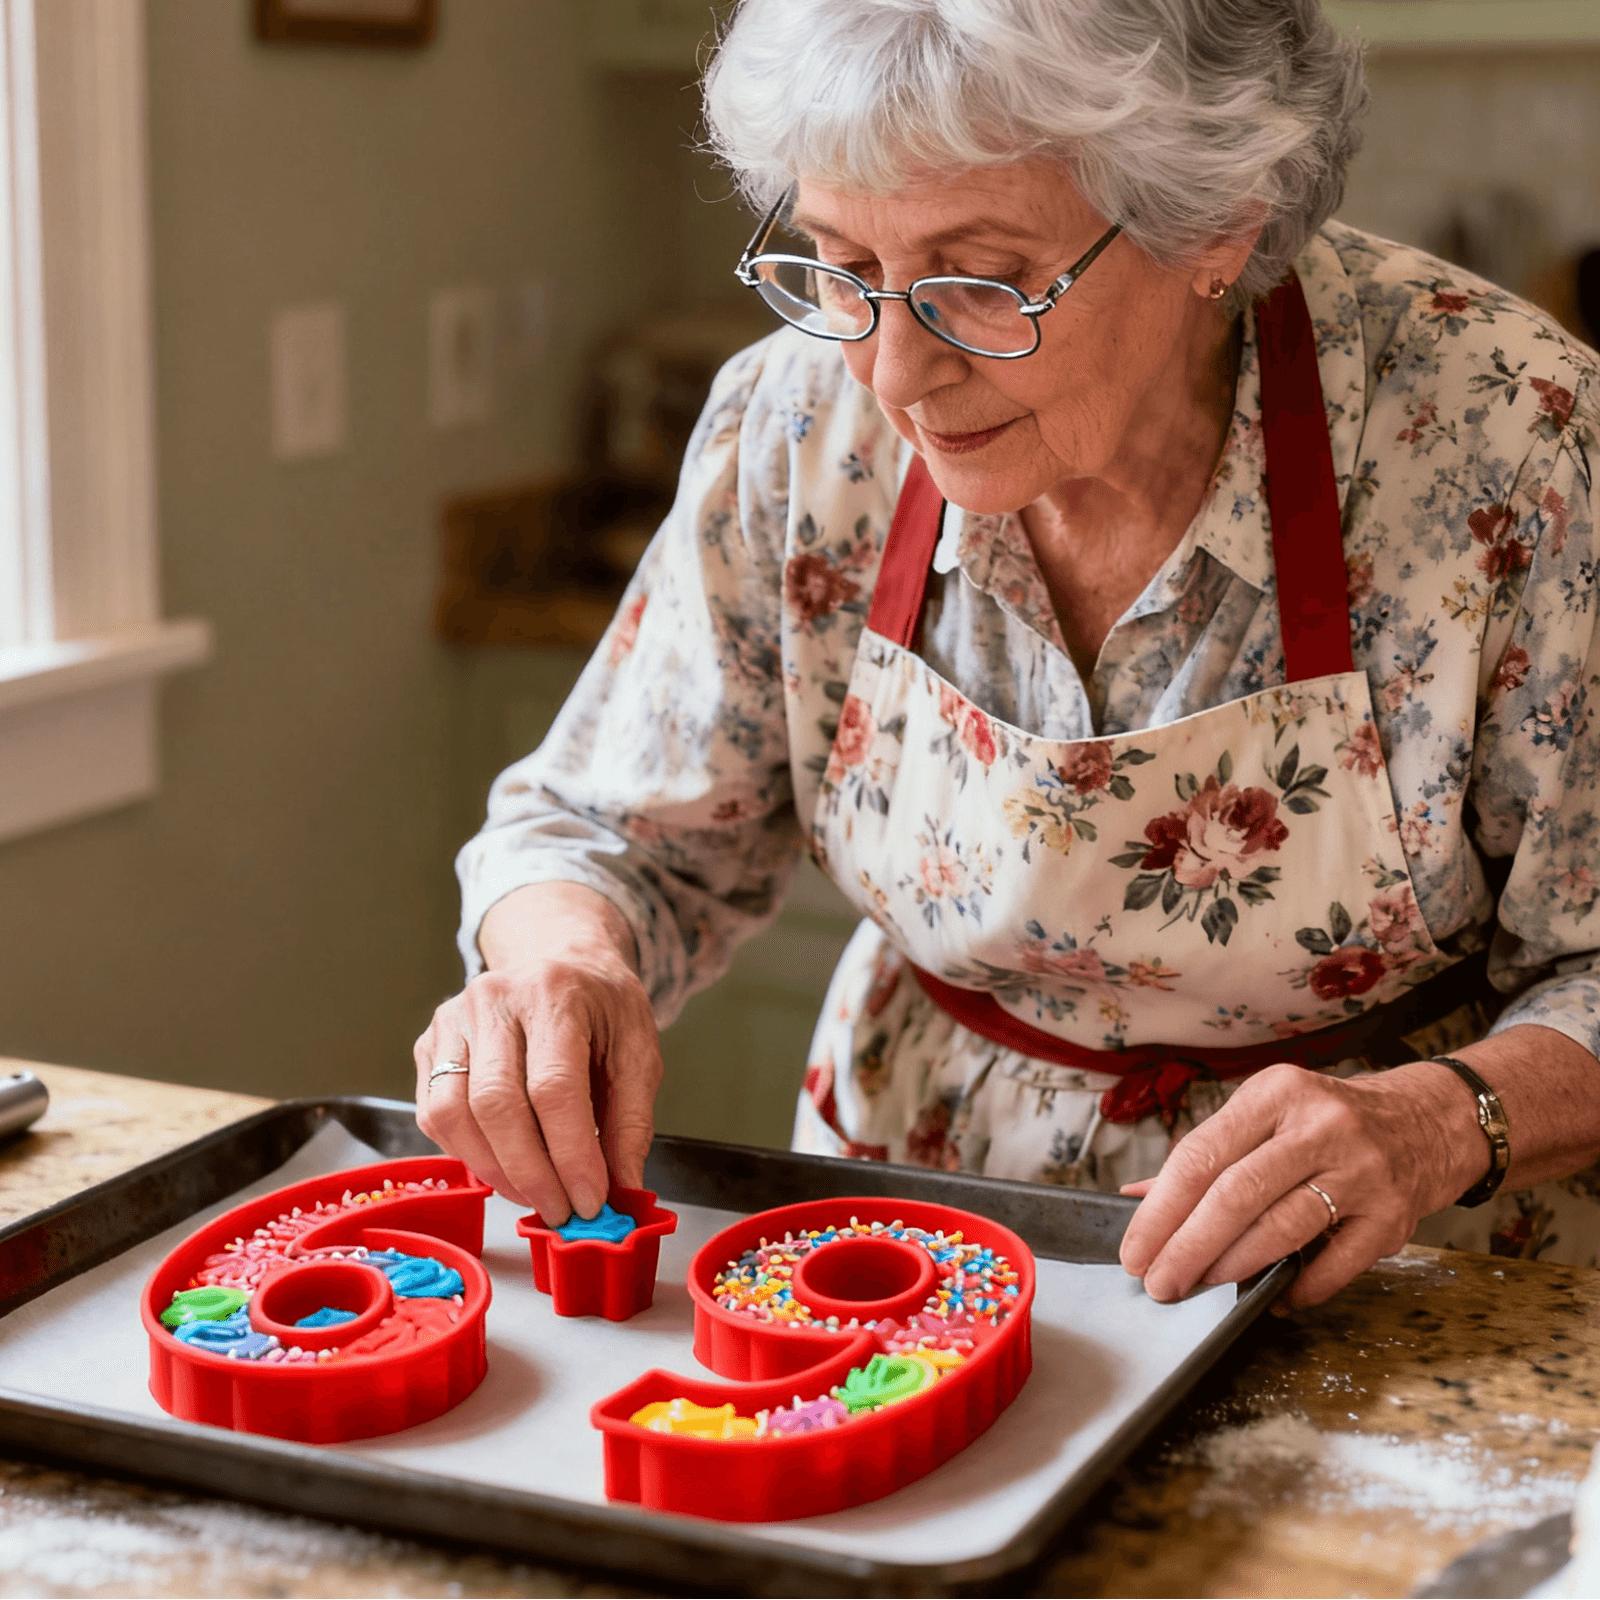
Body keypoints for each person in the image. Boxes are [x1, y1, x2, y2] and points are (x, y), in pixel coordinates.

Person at [417, 0, 1600, 1307]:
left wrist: (1436, 1124)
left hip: (1389, 1267)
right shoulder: (795, 421)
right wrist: (560, 960)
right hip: (905, 1236)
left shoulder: (1512, 439)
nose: (894, 375)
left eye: (978, 283)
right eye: (840, 265)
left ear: (1218, 224)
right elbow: (606, 829)